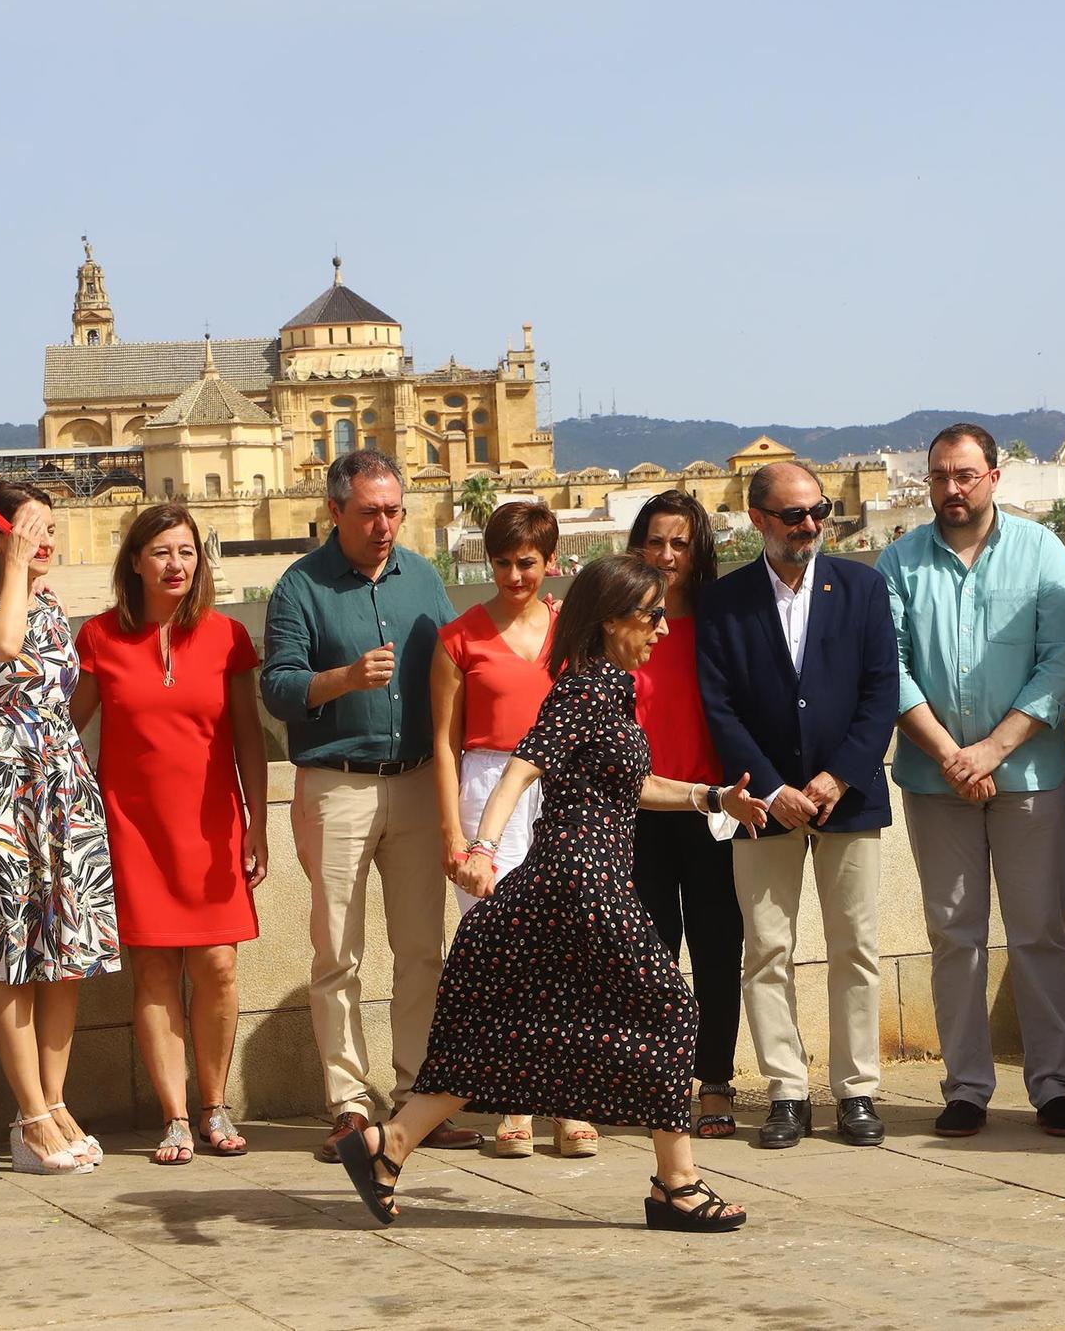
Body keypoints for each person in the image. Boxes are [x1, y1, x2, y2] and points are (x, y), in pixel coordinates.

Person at [332, 553, 766, 1232]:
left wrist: (714, 798)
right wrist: (480, 848)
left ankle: (387, 1148)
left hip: (573, 882)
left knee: (502, 1031)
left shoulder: (612, 689)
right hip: (580, 883)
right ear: (611, 619)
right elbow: (519, 769)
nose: (662, 628)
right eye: (651, 615)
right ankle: (676, 1187)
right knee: (673, 1014)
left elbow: (635, 787)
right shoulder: (585, 690)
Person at [262, 451, 482, 1161]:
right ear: (335, 513)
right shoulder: (299, 586)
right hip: (337, 784)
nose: (384, 525)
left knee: (422, 950)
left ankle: (417, 1100)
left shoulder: (422, 576)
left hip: (419, 781)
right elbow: (279, 689)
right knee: (338, 953)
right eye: (369, 513)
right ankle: (350, 1106)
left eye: (393, 511)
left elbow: (460, 664)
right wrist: (345, 679)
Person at [882, 424, 1065, 1138]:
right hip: (936, 780)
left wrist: (994, 749)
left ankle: (1054, 1086)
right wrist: (952, 755)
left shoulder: (1042, 553)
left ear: (994, 477)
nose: (952, 488)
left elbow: (1063, 657)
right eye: (940, 476)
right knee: (954, 935)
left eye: (965, 474)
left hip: (1029, 774)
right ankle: (966, 1085)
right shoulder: (900, 562)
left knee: (1038, 932)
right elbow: (891, 668)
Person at [696, 464, 898, 1149]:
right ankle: (786, 1091)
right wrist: (776, 788)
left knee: (857, 947)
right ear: (757, 520)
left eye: (820, 512)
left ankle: (857, 1091)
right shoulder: (724, 603)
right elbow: (718, 706)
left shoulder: (864, 589)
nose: (809, 526)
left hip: (850, 798)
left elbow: (880, 693)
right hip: (761, 803)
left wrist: (837, 777)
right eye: (793, 516)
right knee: (767, 949)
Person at [72, 504, 268, 1165]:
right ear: (135, 562)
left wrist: (257, 825)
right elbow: (67, 733)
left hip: (213, 828)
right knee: (153, 969)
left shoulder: (228, 636)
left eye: (186, 552)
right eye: (161, 552)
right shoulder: (98, 637)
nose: (176, 564)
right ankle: (176, 1117)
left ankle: (216, 1105)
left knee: (217, 964)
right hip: (131, 829)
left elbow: (249, 739)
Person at [0, 481, 120, 1175]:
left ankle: (54, 1100)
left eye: (50, 528)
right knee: (10, 956)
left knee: (65, 955)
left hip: (59, 786)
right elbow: (1, 644)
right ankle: (32, 1115)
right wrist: (14, 565)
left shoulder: (51, 602)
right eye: (33, 530)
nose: (47, 541)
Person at [430, 500, 597, 1158]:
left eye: (525, 561)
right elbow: (442, 745)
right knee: (503, 951)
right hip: (483, 788)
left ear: (549, 561)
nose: (513, 574)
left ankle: (568, 1102)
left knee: (567, 947)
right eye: (501, 562)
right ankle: (517, 1104)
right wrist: (452, 833)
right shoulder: (458, 637)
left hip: (558, 790)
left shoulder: (574, 633)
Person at [629, 490, 743, 1139]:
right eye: (655, 541)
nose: (667, 554)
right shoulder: (621, 622)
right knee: (650, 954)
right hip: (642, 809)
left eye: (680, 542)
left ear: (699, 549)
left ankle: (716, 1082)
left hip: (712, 808)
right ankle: (661, 1084)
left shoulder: (719, 620)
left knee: (718, 947)